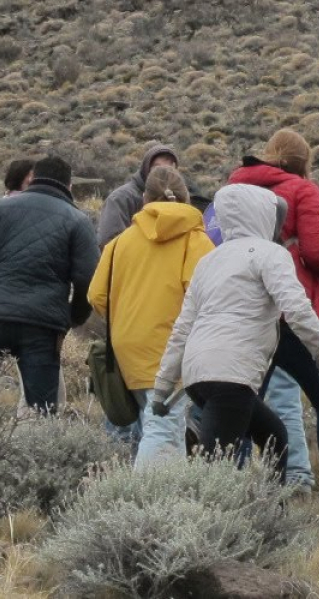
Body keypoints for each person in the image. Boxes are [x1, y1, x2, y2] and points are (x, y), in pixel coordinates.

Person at [150, 185, 319, 478]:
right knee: (214, 477)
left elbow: (182, 328)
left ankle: (272, 514)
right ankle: (201, 520)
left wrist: (162, 388)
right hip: (231, 376)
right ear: (262, 216)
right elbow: (297, 310)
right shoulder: (270, 254)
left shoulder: (210, 260)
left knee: (275, 436)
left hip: (198, 375)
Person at [230, 130, 319, 500]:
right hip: (291, 310)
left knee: (241, 399)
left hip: (246, 310)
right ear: (303, 163)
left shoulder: (235, 191)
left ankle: (229, 489)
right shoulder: (304, 190)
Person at [87, 165, 214, 466]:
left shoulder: (120, 243)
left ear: (144, 198)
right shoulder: (194, 240)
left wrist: (129, 315)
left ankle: (170, 501)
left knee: (165, 429)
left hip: (127, 349)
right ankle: (145, 504)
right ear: (184, 198)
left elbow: (96, 296)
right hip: (170, 350)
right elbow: (205, 295)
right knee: (162, 429)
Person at [0, 154, 100, 411]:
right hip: (42, 325)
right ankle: (33, 452)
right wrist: (73, 317)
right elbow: (89, 278)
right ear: (69, 186)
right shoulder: (78, 220)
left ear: (33, 178)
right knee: (41, 411)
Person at [98, 143, 182, 244]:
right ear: (146, 169)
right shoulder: (121, 199)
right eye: (157, 168)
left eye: (169, 169)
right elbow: (110, 243)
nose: (162, 174)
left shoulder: (177, 199)